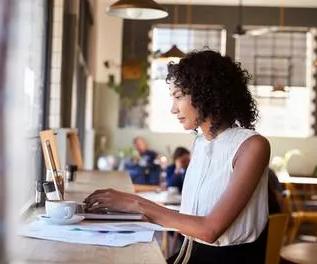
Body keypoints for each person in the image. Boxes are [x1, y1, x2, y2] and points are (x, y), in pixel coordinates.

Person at [84, 49, 270, 264]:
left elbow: (210, 230)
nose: (173, 109)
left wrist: (136, 202)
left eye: (178, 97)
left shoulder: (252, 146)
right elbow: (187, 219)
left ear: (205, 93)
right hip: (188, 256)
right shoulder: (200, 143)